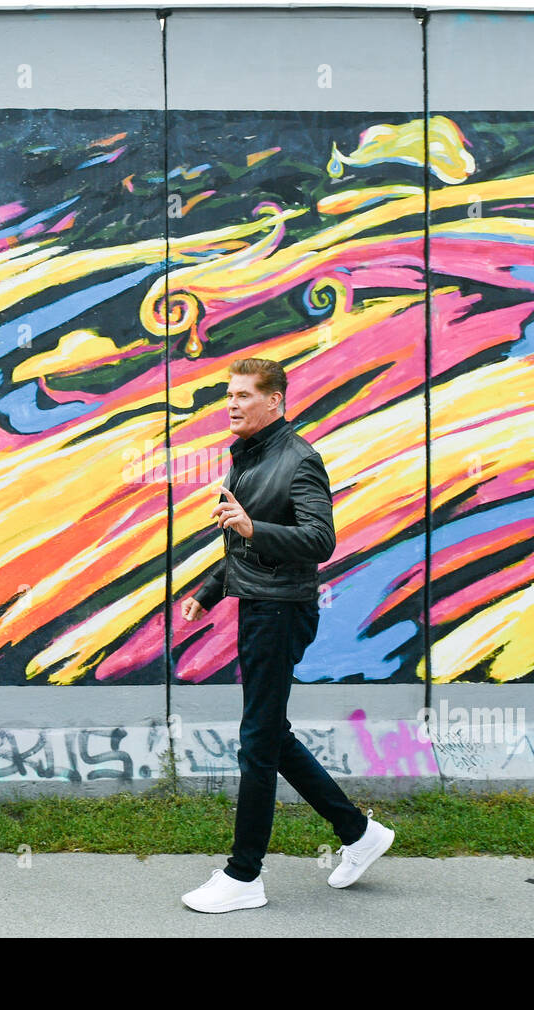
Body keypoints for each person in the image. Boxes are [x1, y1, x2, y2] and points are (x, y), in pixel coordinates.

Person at [178, 357, 396, 913]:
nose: (231, 403)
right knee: (271, 735)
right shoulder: (249, 458)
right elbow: (243, 547)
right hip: (259, 608)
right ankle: (358, 832)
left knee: (257, 740)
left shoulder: (299, 459)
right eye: (229, 394)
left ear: (275, 402)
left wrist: (255, 527)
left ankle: (244, 875)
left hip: (280, 613)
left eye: (245, 395)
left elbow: (319, 540)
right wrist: (208, 592)